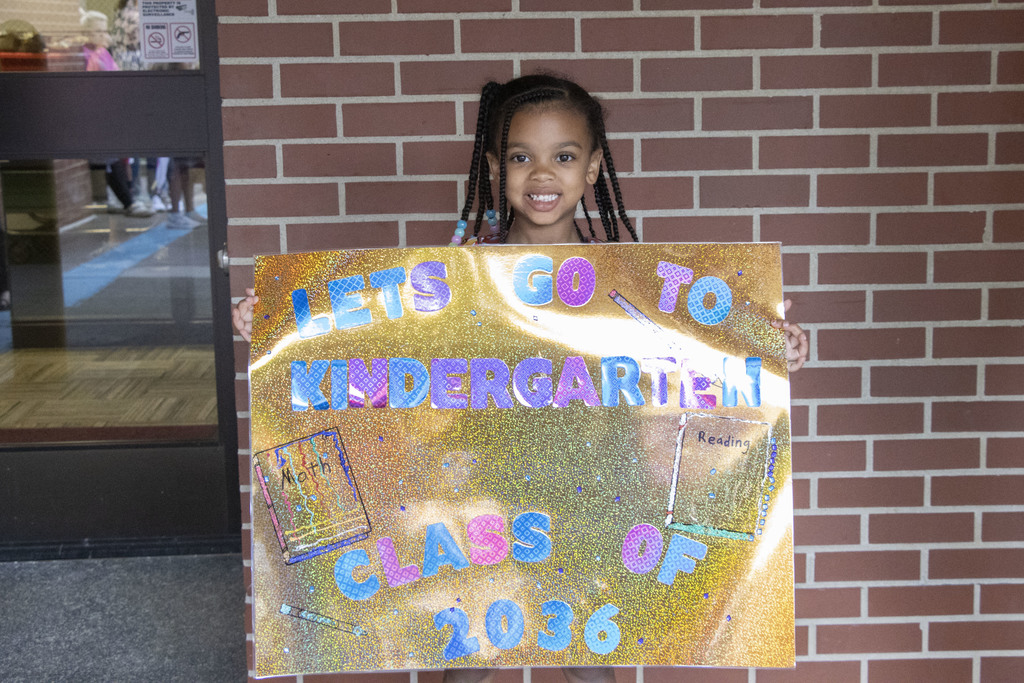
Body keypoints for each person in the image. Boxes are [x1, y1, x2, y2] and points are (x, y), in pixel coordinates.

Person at [232, 74, 808, 682]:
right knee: (471, 653)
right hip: (485, 480)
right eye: (520, 157)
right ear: (494, 168)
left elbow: (698, 360)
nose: (541, 174)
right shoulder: (456, 279)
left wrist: (772, 347)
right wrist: (275, 328)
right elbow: (373, 343)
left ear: (591, 171)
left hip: (598, 486)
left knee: (589, 655)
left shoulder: (634, 286)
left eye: (563, 157)